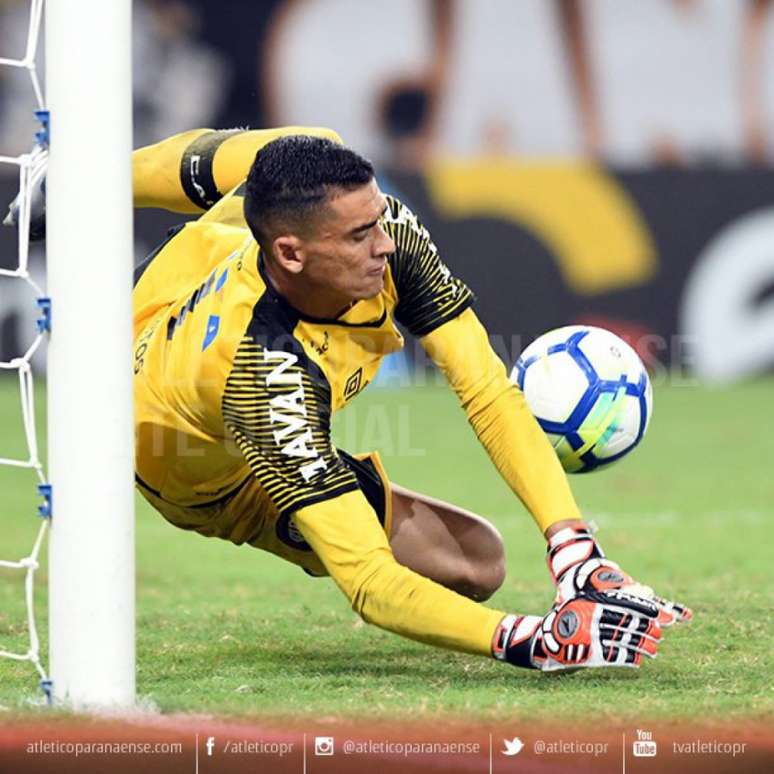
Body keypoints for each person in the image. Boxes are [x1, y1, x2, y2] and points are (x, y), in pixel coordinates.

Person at [8, 126, 691, 671]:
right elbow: (368, 584)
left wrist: (572, 548)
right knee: (464, 574)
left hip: (169, 289)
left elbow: (483, 385)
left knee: (481, 561)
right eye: (360, 236)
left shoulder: (360, 214)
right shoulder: (262, 379)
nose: (385, 244)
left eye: (378, 220)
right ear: (293, 253)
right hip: (189, 464)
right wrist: (533, 641)